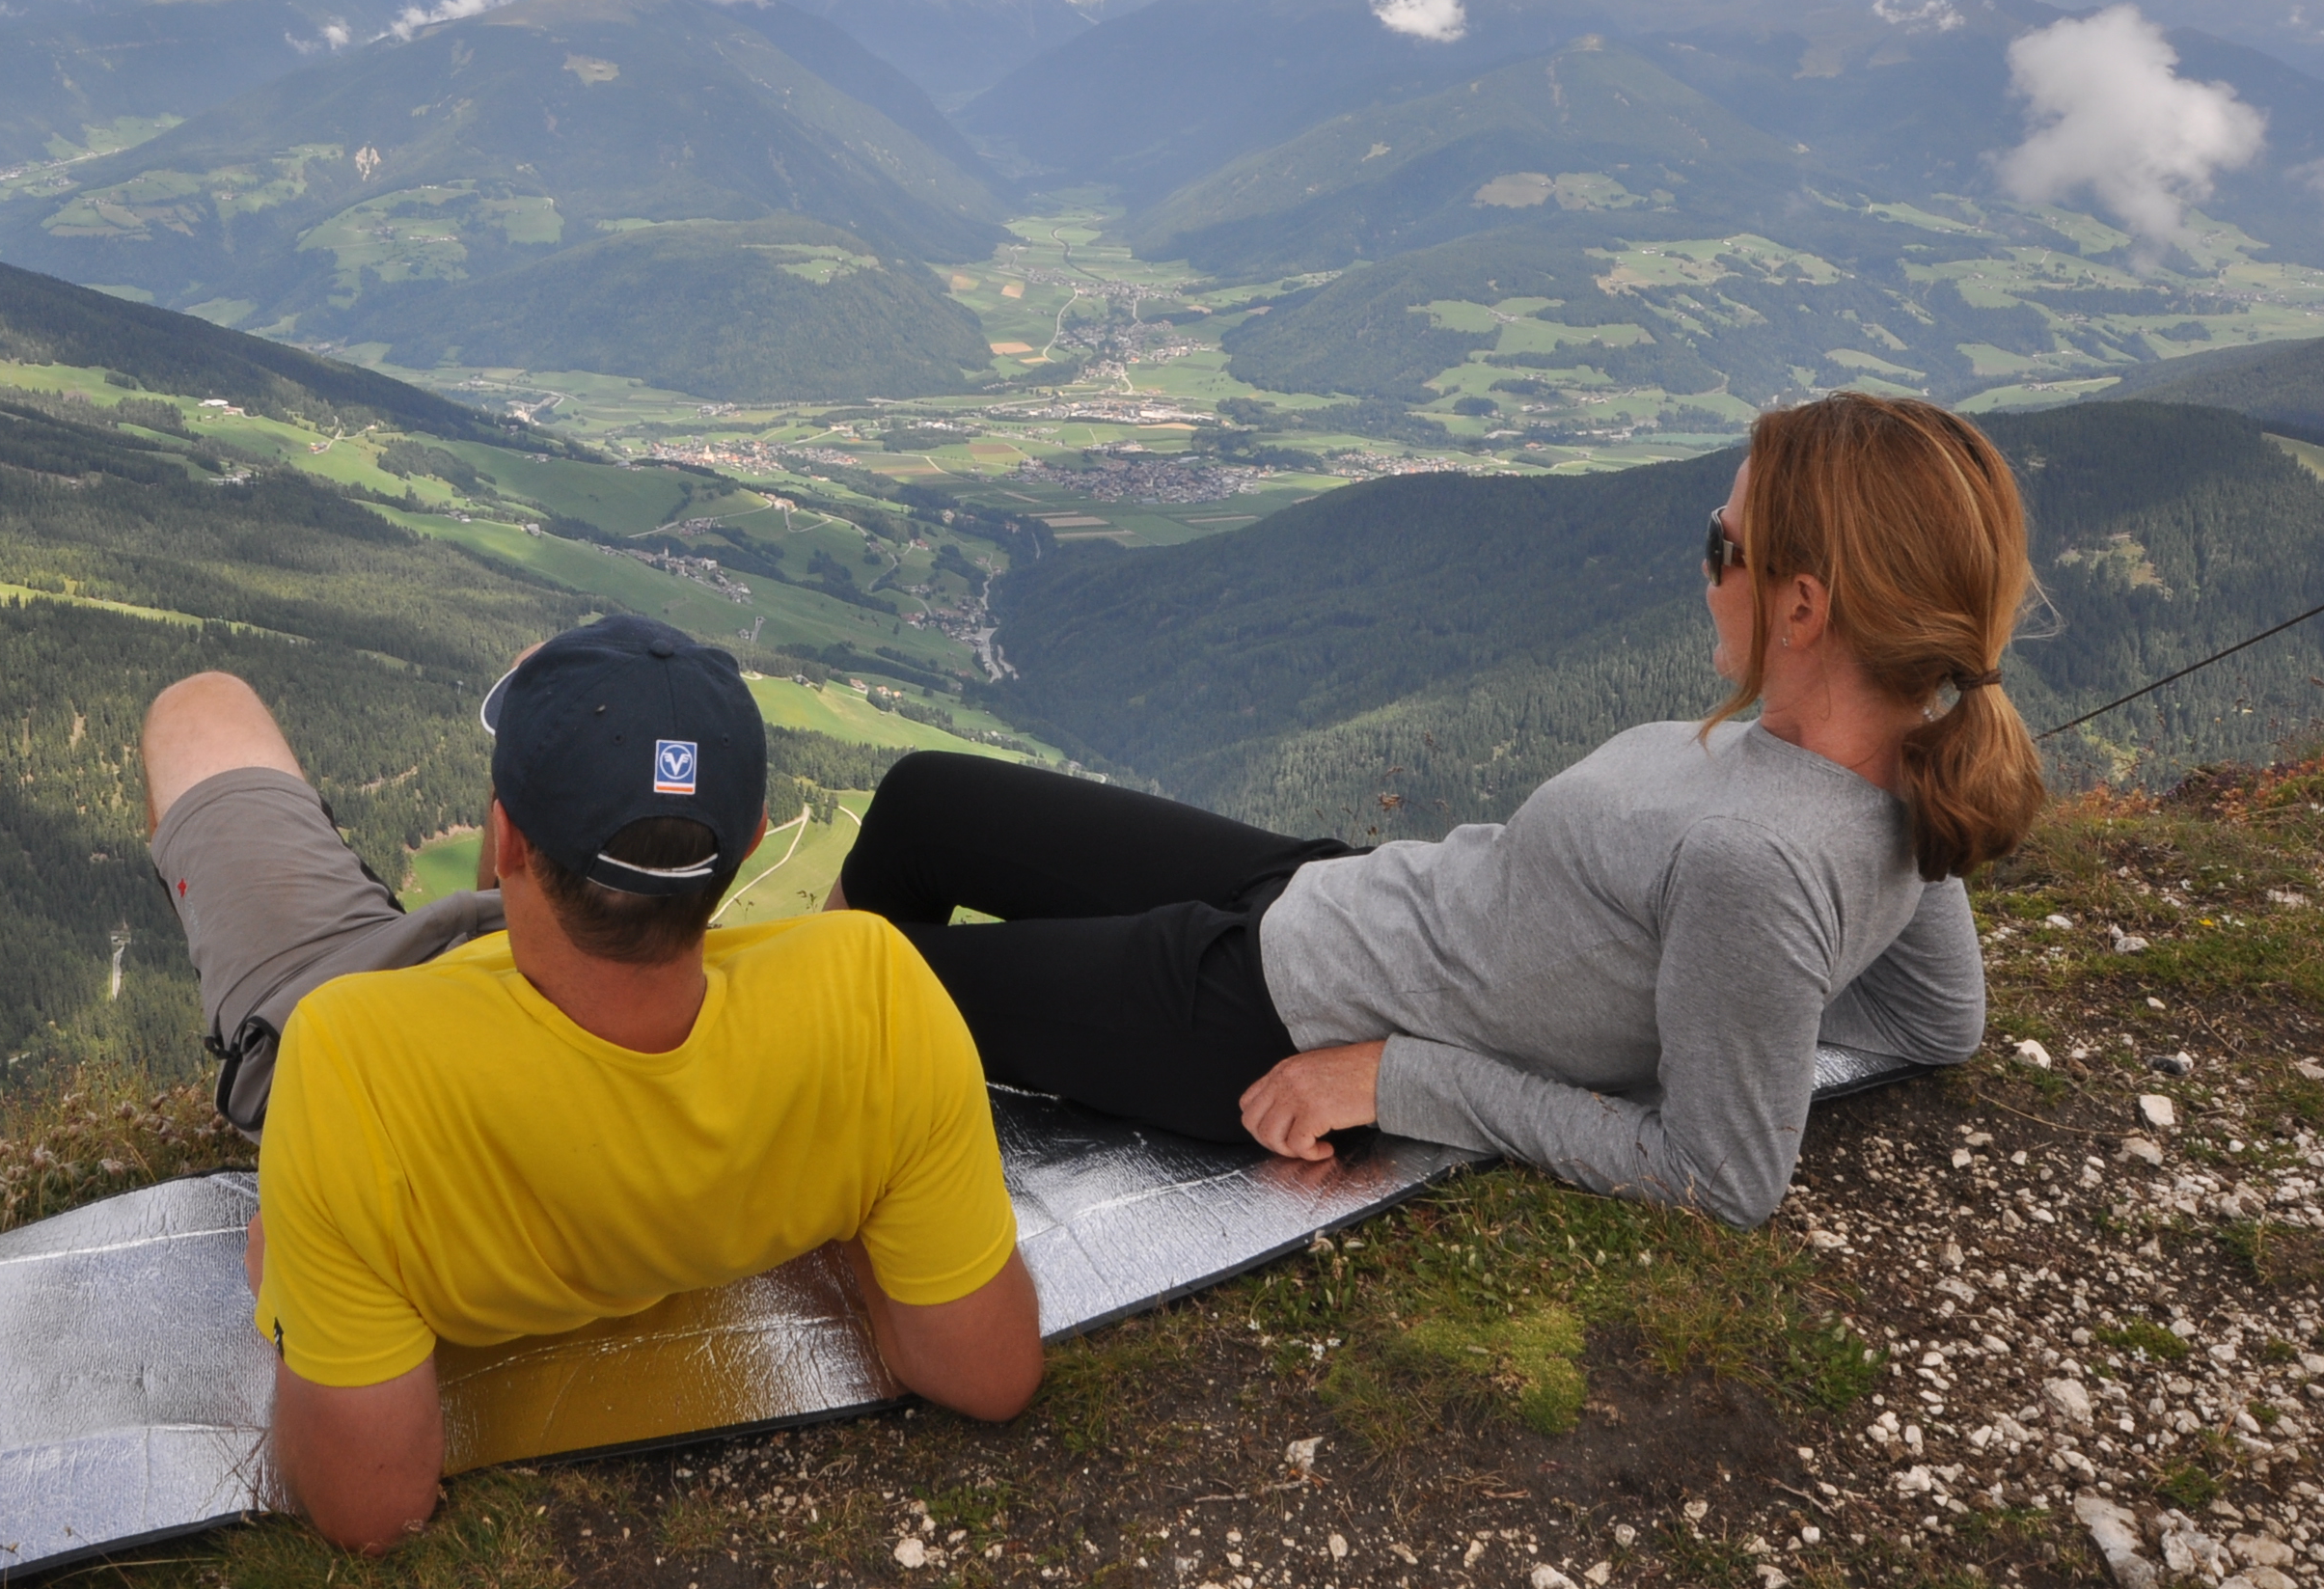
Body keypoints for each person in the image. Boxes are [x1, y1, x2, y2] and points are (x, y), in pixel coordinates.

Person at [834, 392, 2036, 1230]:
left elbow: (1721, 1177)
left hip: (1265, 1018)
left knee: (860, 992)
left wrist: (1398, 1080)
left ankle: (732, 1115)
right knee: (923, 796)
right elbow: (1938, 1019)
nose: (1704, 559)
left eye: (1720, 541)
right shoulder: (1893, 776)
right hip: (1332, 891)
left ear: (1806, 609)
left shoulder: (1758, 861)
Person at [141, 615, 1042, 1552]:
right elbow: (990, 1374)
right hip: (564, 960)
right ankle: (541, 882)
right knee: (552, 669)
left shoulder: (344, 1062)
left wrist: (288, 1281)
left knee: (200, 710)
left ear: (508, 837)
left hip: (369, 986)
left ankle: (530, 861)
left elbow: (370, 1510)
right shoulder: (878, 991)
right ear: (748, 845)